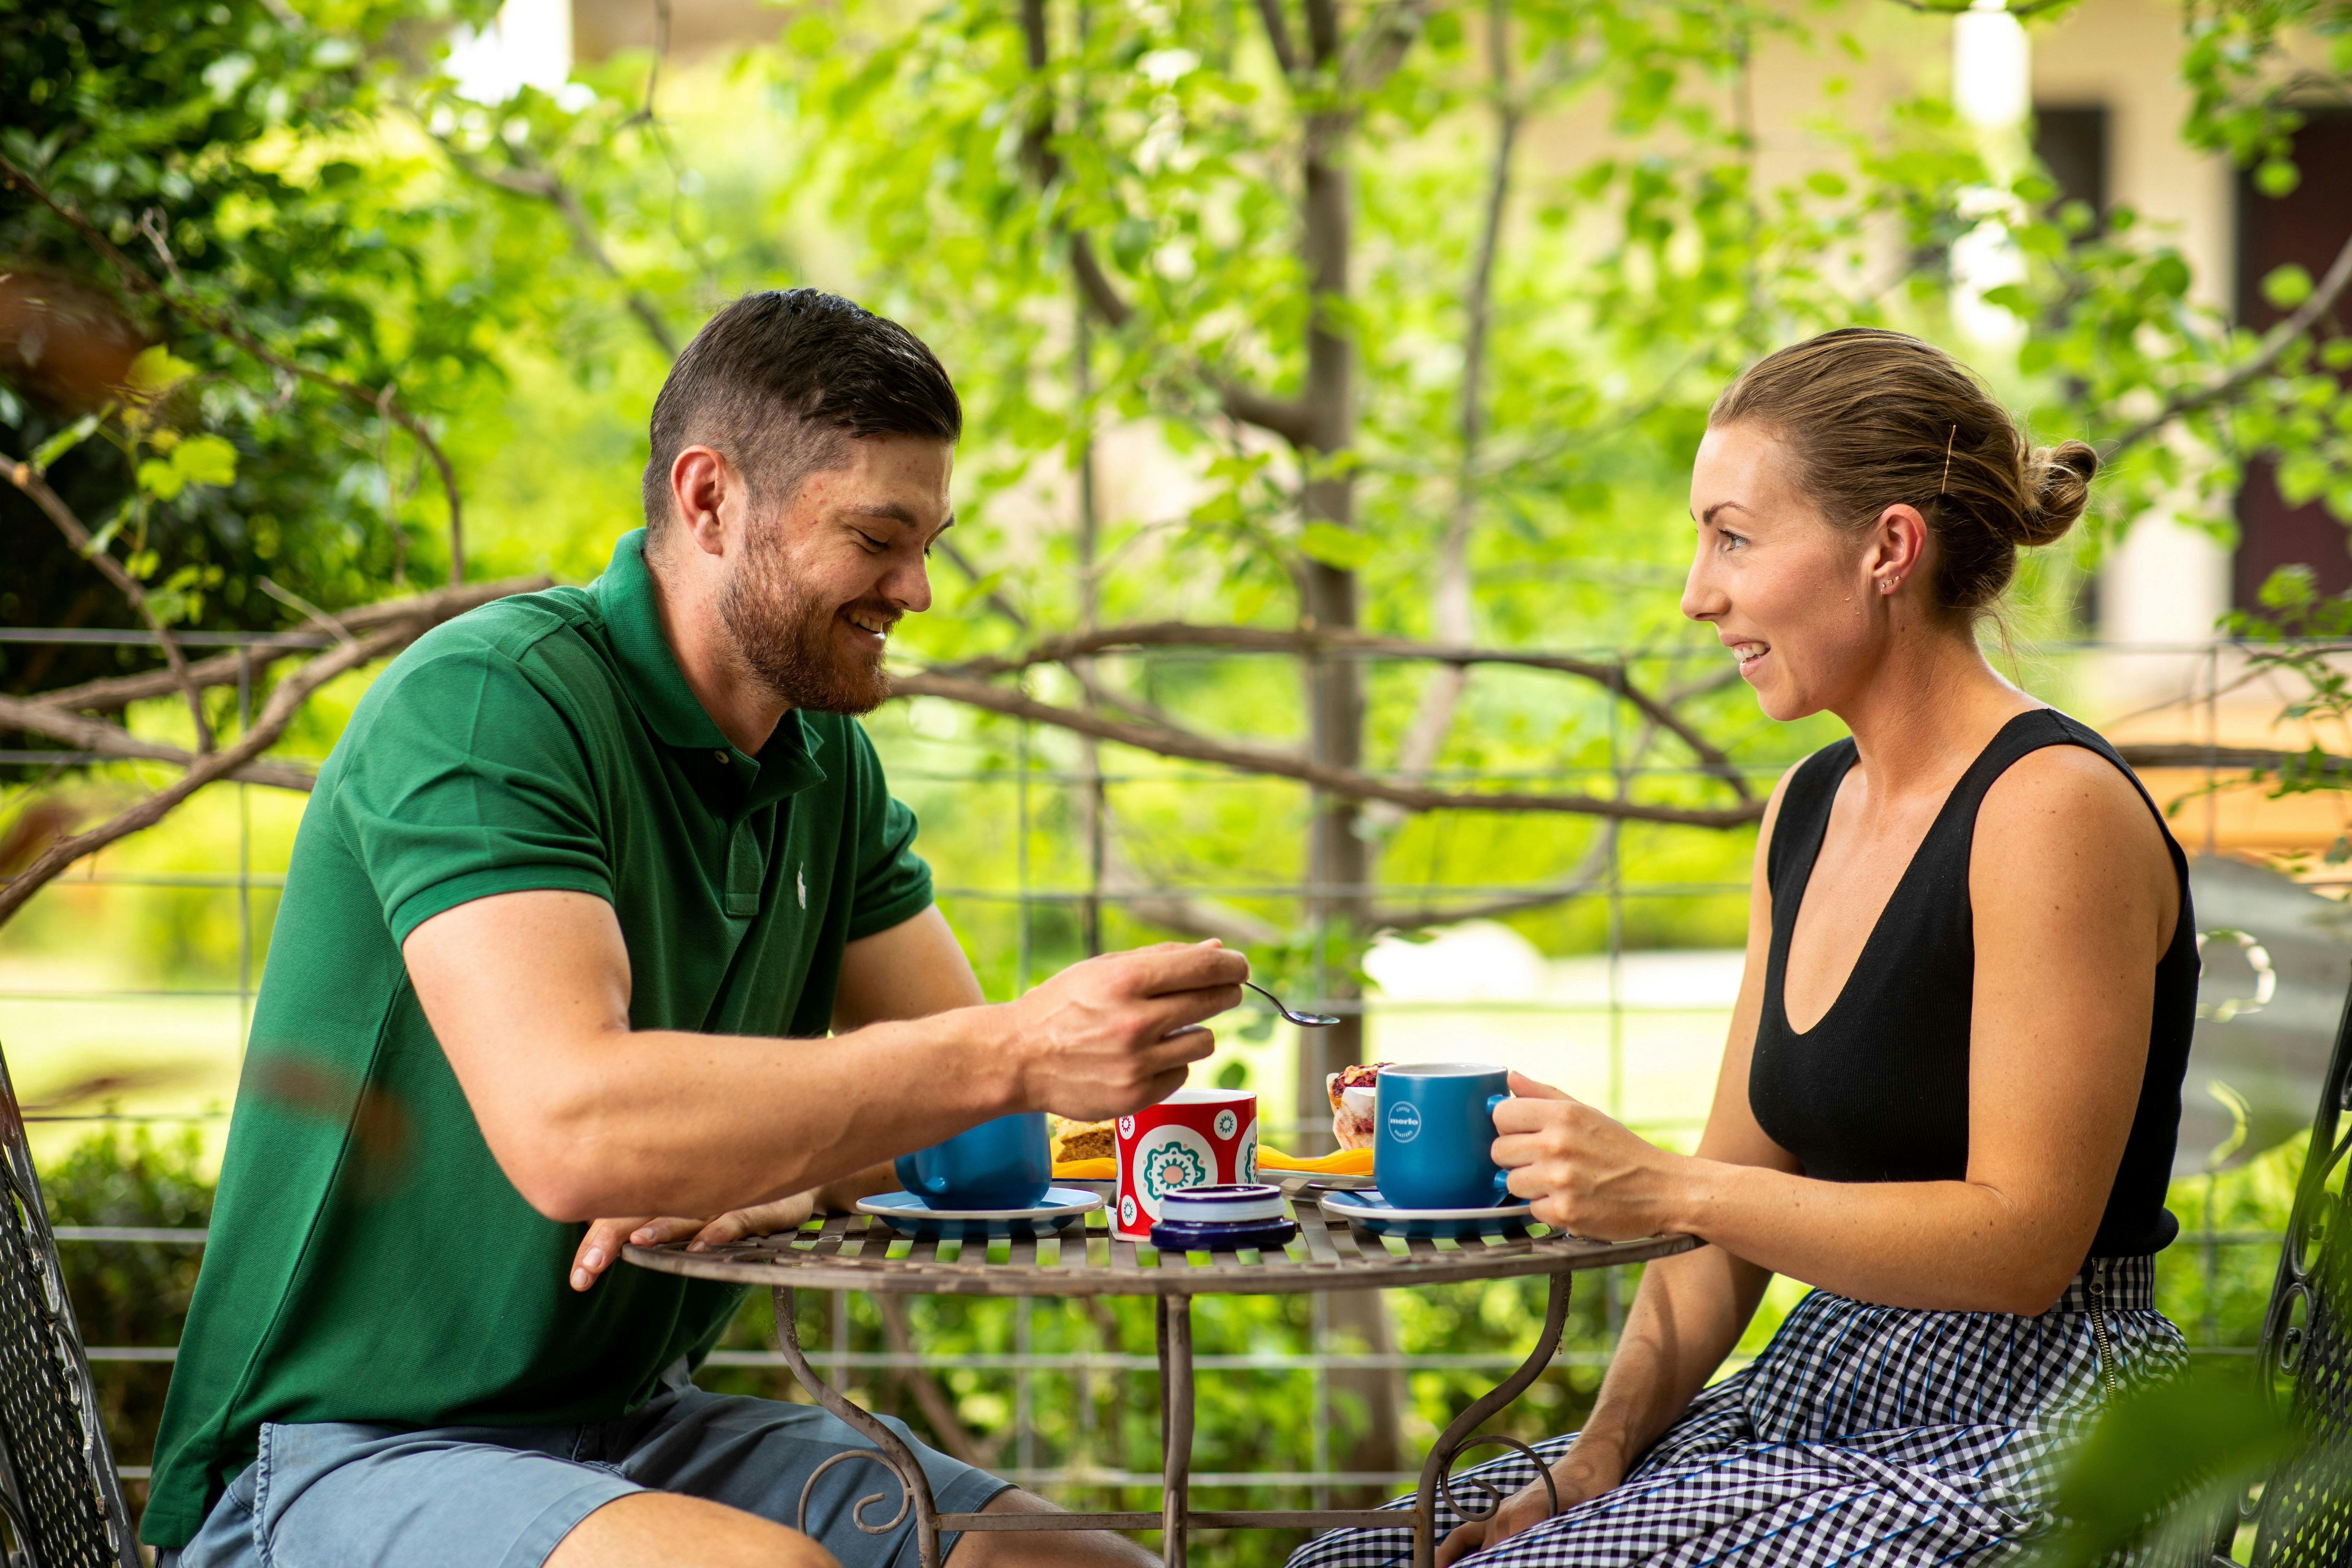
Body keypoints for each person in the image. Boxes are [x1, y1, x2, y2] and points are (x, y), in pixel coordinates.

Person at [145, 288, 1248, 1568]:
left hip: (627, 1433)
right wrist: (1009, 1052)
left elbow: (971, 1116)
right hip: (330, 1458)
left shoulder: (826, 765)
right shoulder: (488, 705)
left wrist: (799, 1169)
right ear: (710, 498)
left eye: (932, 540)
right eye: (881, 538)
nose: (921, 590)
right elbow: (580, 1130)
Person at [1290, 327, 2195, 1568]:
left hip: (2035, 1417)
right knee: (1350, 1562)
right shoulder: (1810, 811)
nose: (1696, 592)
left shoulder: (2051, 809)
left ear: (1887, 549)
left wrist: (1663, 1186)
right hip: (1837, 1381)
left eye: (1733, 536)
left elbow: (2026, 1248)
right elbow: (1721, 1234)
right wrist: (1594, 1455)